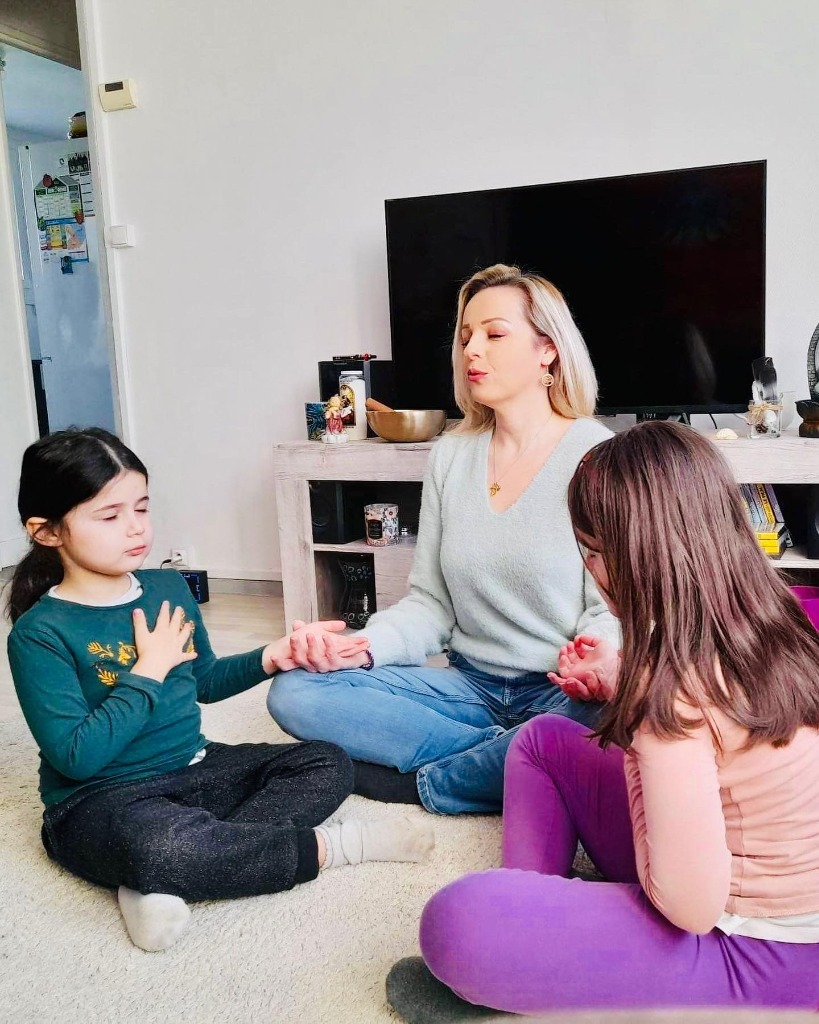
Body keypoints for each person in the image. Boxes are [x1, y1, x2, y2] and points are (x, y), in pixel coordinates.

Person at [387, 420, 819, 1019]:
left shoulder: (676, 690)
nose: (588, 566)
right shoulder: (772, 616)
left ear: (635, 557)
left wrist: (642, 718)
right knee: (543, 741)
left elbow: (691, 908)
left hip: (762, 948)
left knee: (455, 922)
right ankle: (539, 918)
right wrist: (625, 686)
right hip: (727, 866)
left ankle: (536, 952)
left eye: (591, 550)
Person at [6, 428, 433, 953]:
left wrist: (272, 657)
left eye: (141, 508)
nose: (136, 529)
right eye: (110, 516)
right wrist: (148, 671)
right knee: (157, 843)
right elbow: (76, 757)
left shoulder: (167, 588)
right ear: (47, 531)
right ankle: (326, 848)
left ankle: (170, 873)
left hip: (193, 767)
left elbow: (203, 681)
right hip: (99, 799)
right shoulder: (40, 634)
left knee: (327, 763)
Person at [267, 264, 620, 814]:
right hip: (467, 691)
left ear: (547, 350)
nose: (471, 350)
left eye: (494, 334)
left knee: (625, 714)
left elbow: (613, 610)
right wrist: (359, 649)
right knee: (295, 693)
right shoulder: (452, 454)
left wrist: (602, 661)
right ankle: (519, 767)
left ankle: (429, 783)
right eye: (465, 337)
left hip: (562, 694)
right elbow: (430, 605)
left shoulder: (597, 456)